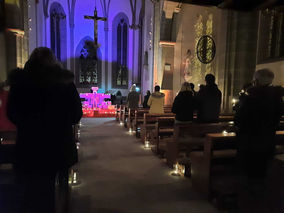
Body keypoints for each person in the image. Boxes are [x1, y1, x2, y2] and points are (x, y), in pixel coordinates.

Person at [7, 47, 82, 213]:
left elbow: (12, 113)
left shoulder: (20, 82)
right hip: (58, 145)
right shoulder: (64, 83)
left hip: (29, 145)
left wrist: (29, 125)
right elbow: (76, 114)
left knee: (30, 192)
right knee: (53, 192)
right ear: (53, 61)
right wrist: (59, 123)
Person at [234, 69, 284, 211]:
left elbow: (239, 120)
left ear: (256, 81)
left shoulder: (250, 98)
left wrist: (240, 104)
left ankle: (247, 205)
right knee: (262, 175)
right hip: (268, 141)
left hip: (249, 143)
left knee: (248, 176)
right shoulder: (277, 98)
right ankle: (261, 205)